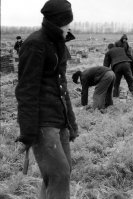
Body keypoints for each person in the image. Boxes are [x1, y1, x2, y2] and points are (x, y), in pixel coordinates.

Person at [15, 0, 78, 198]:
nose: (70, 26)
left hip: (60, 120)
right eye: (67, 22)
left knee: (61, 174)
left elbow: (62, 87)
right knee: (59, 175)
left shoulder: (57, 44)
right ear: (59, 22)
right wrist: (28, 133)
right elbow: (26, 90)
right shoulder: (35, 44)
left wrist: (71, 123)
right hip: (43, 123)